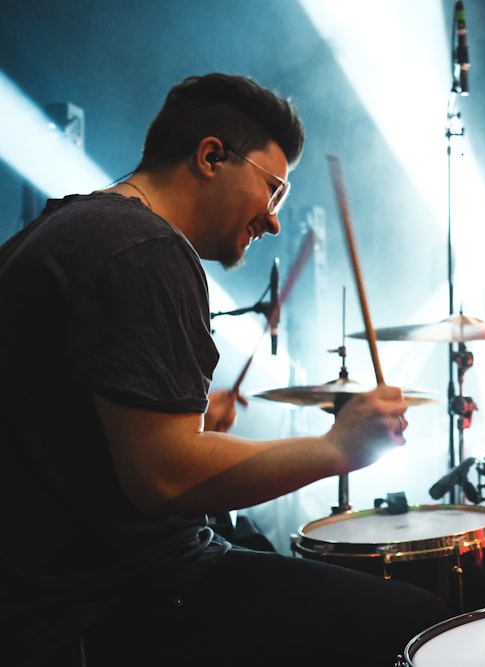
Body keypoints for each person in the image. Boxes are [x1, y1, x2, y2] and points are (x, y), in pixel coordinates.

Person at [0, 73, 450, 667]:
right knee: (419, 628)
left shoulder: (48, 236)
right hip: (109, 598)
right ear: (211, 155)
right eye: (274, 190)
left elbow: (71, 441)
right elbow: (164, 479)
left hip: (44, 591)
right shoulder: (146, 248)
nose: (274, 220)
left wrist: (183, 422)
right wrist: (339, 447)